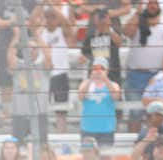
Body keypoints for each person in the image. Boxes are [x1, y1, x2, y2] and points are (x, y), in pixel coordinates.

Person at [123, 0, 163, 132]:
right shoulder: (137, 19)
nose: (152, 5)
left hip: (158, 76)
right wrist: (137, 14)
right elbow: (126, 32)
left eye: (155, 3)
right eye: (150, 3)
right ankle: (134, 145)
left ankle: (155, 145)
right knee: (135, 114)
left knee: (157, 114)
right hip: (135, 75)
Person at [8, 33, 51, 145]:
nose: (31, 51)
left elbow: (48, 56)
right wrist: (17, 34)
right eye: (28, 48)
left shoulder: (43, 67)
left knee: (42, 148)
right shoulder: (18, 66)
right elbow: (10, 54)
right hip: (20, 115)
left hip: (39, 114)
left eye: (34, 48)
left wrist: (37, 35)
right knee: (18, 147)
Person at [39, 5, 75, 133]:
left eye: (52, 17)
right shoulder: (40, 33)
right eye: (47, 17)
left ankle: (62, 136)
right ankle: (42, 136)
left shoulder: (62, 32)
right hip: (44, 75)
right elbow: (33, 21)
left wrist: (54, 8)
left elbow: (67, 24)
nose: (50, 20)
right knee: (41, 109)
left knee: (61, 110)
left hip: (60, 74)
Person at [78, 57, 121, 147]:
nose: (98, 71)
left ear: (107, 71)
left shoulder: (113, 85)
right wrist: (90, 80)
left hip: (106, 129)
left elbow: (116, 97)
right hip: (88, 129)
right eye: (96, 68)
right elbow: (80, 97)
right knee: (88, 158)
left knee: (105, 159)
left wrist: (105, 80)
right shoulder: (85, 84)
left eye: (102, 68)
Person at [80, 8, 123, 85]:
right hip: (95, 76)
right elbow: (84, 53)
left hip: (112, 76)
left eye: (102, 17)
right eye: (98, 18)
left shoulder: (113, 31)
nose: (100, 21)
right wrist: (83, 58)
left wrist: (108, 27)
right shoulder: (90, 34)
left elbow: (119, 43)